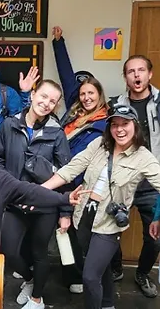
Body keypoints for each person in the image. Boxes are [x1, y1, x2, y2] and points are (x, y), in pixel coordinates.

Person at [42, 104, 160, 309]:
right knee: (101, 267)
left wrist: (157, 216)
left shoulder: (143, 157)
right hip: (84, 216)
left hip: (109, 223)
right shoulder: (99, 144)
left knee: (89, 276)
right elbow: (71, 169)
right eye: (114, 124)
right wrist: (39, 190)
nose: (119, 129)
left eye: (125, 124)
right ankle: (107, 304)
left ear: (135, 126)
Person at [0, 79, 71, 309]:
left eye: (52, 101)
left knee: (39, 252)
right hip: (14, 200)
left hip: (44, 205)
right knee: (10, 250)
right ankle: (29, 279)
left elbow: (66, 174)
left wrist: (65, 212)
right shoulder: (10, 124)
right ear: (33, 95)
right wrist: (11, 190)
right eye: (43, 96)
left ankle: (37, 298)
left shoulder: (57, 133)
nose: (46, 103)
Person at [52, 26, 108, 294]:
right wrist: (58, 43)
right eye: (83, 94)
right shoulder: (73, 116)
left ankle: (81, 276)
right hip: (63, 177)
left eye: (91, 94)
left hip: (83, 182)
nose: (86, 97)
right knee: (62, 229)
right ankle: (69, 274)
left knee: (78, 231)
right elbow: (67, 78)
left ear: (100, 95)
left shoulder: (107, 121)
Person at [109, 55, 160, 298]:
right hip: (123, 179)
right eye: (131, 71)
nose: (136, 75)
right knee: (109, 229)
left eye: (141, 70)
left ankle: (142, 273)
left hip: (152, 183)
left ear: (150, 74)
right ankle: (116, 268)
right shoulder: (114, 105)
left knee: (155, 236)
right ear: (125, 77)